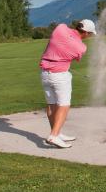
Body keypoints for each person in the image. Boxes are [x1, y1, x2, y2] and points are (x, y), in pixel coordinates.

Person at [39, 19, 96, 148]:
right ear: (86, 33)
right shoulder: (81, 47)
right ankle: (53, 136)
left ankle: (56, 133)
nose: (89, 36)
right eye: (90, 34)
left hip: (44, 74)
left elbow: (59, 39)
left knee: (51, 104)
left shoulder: (60, 28)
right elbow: (76, 58)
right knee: (64, 105)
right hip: (60, 76)